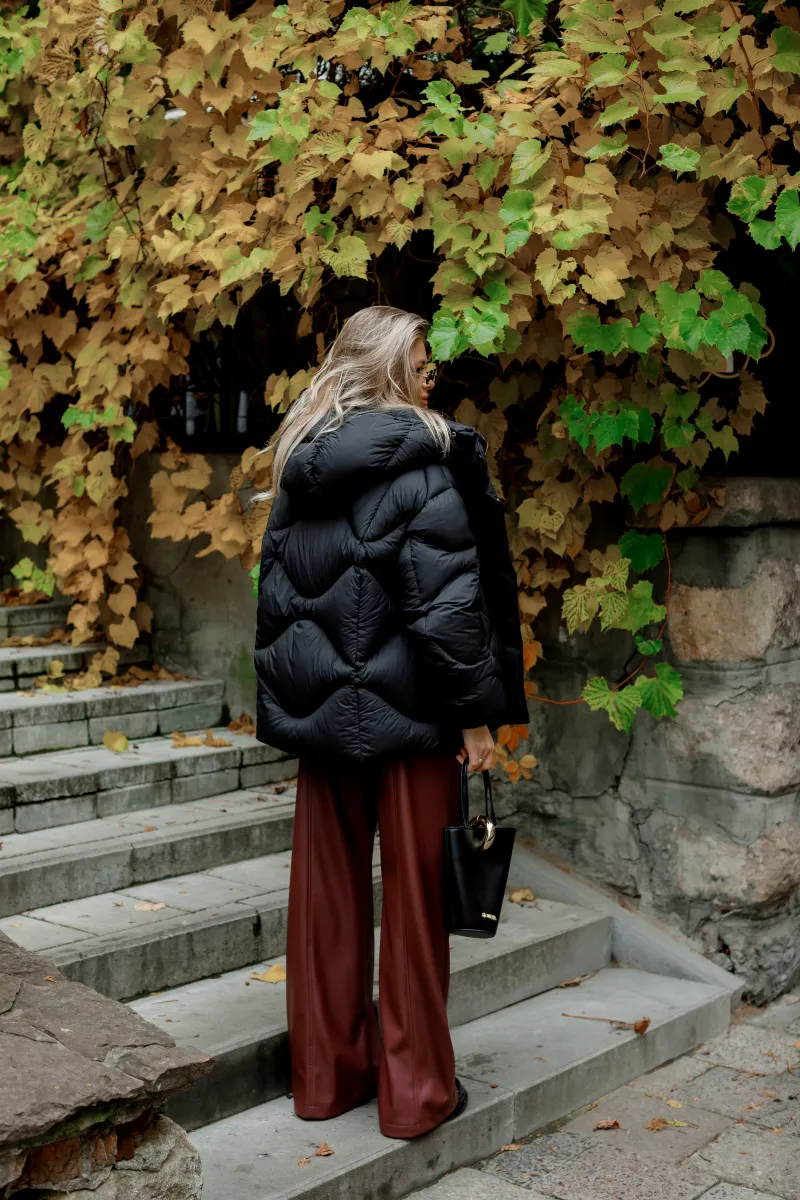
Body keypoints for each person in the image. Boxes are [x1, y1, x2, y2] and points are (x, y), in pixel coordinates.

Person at [253, 306, 527, 1139]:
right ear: (386, 368)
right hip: (414, 716)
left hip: (324, 722)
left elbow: (279, 601)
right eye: (420, 362)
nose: (431, 376)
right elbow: (447, 608)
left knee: (325, 899)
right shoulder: (425, 463)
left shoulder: (299, 465)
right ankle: (415, 1095)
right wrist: (476, 720)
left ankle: (324, 1082)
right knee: (414, 901)